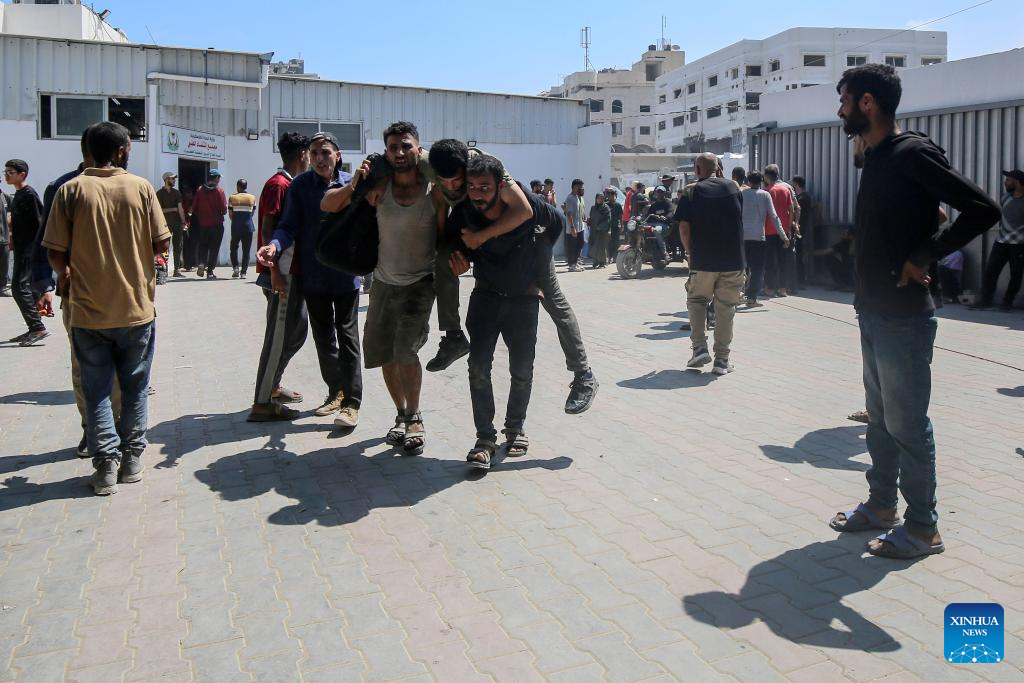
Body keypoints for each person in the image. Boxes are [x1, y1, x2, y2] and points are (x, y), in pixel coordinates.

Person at [829, 63, 1000, 559]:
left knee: (906, 424)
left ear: (867, 103)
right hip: (872, 308)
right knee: (880, 420)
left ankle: (923, 528)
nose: (839, 110)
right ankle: (882, 505)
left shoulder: (912, 152)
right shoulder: (877, 155)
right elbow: (932, 211)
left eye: (845, 100)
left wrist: (925, 254)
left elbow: (981, 209)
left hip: (903, 316)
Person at [416, 140, 598, 415]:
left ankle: (583, 374)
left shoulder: (502, 185)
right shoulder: (444, 180)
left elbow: (538, 216)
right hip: (502, 253)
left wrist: (488, 240)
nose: (453, 187)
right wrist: (454, 257)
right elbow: (424, 180)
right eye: (446, 182)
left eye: (458, 181)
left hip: (537, 237)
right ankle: (453, 337)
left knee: (553, 299)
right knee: (444, 259)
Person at [42, 121, 171, 495]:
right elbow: (162, 244)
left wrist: (65, 275)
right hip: (135, 310)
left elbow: (54, 251)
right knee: (135, 389)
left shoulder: (71, 190)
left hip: (87, 313)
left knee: (96, 391)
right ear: (121, 151)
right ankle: (132, 460)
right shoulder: (141, 188)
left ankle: (105, 468)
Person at [447, 154, 565, 469]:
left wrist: (539, 266)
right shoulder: (463, 214)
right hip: (485, 299)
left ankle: (515, 429)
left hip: (524, 302)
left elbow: (557, 224)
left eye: (484, 187)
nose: (477, 194)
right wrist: (459, 263)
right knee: (477, 367)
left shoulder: (527, 209)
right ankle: (485, 439)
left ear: (501, 186)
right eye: (472, 187)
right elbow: (455, 249)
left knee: (522, 371)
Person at [258, 132, 363, 424]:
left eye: (325, 152)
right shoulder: (300, 186)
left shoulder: (353, 184)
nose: (319, 158)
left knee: (348, 337)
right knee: (324, 338)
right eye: (314, 153)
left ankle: (352, 403)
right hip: (314, 276)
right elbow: (287, 227)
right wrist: (274, 246)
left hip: (345, 277)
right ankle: (335, 393)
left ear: (337, 156)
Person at [363, 122, 441, 452]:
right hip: (383, 283)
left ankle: (415, 417)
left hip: (420, 284)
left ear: (418, 149)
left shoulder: (434, 191)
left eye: (406, 145)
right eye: (393, 147)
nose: (399, 152)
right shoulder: (379, 188)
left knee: (405, 351)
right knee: (385, 354)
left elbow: (445, 234)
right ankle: (401, 414)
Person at [247, 132, 310, 422]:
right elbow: (268, 229)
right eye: (310, 154)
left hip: (292, 272)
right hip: (282, 273)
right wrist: (274, 273)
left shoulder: (290, 183)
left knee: (296, 332)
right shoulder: (279, 184)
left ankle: (272, 384)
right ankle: (262, 402)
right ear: (303, 155)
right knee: (278, 337)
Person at [676, 153, 745, 376]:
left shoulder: (690, 191)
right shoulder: (734, 187)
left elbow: (684, 228)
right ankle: (722, 361)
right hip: (733, 260)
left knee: (697, 300)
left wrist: (689, 253)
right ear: (719, 168)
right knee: (726, 308)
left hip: (703, 260)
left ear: (697, 169)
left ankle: (699, 349)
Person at [3, 159, 48, 346]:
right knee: (24, 288)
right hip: (21, 248)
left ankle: (37, 328)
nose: (6, 175)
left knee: (19, 288)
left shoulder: (29, 194)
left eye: (11, 172)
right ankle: (34, 327)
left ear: (22, 174)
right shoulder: (18, 195)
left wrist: (41, 249)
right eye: (5, 171)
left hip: (30, 249)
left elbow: (41, 221)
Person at [973, 169, 1024, 311]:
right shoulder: (1005, 198)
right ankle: (985, 301)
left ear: (1017, 182)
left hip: (1019, 245)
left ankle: (1007, 303)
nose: (1005, 182)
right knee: (991, 271)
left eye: (1008, 180)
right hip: (1001, 242)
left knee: (1016, 275)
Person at [741, 171, 786, 307]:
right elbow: (774, 217)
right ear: (761, 181)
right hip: (758, 237)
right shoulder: (765, 195)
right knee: (757, 269)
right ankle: (751, 298)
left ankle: (738, 294)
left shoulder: (741, 194)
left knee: (741, 267)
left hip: (742, 237)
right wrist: (783, 236)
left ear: (748, 181)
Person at [762, 165, 796, 298]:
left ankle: (770, 288)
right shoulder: (786, 190)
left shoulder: (766, 192)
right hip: (784, 231)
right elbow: (791, 210)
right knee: (783, 260)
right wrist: (789, 227)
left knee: (770, 261)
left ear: (766, 177)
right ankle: (782, 289)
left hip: (769, 231)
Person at [190, 169, 227, 279]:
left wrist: (201, 216)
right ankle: (210, 271)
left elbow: (194, 207)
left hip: (203, 224)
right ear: (216, 178)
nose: (219, 180)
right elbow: (223, 208)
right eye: (219, 178)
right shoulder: (219, 191)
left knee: (203, 245)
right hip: (217, 224)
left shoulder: (200, 190)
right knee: (214, 248)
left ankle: (201, 263)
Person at [156, 172, 188, 277]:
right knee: (164, 248)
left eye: (174, 179)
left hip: (177, 223)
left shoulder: (177, 193)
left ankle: (176, 270)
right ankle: (163, 270)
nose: (174, 180)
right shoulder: (159, 194)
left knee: (178, 246)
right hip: (164, 224)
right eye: (172, 179)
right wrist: (173, 209)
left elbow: (180, 208)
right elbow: (159, 210)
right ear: (166, 179)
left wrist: (183, 221)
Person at [228, 179, 257, 278]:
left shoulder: (232, 198)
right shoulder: (252, 198)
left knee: (233, 248)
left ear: (238, 187)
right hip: (248, 227)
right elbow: (252, 213)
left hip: (236, 227)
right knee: (246, 250)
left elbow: (230, 214)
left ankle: (236, 267)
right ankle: (243, 273)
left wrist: (236, 221)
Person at [792, 176, 815, 285]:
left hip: (800, 230)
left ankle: (800, 280)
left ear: (796, 184)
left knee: (799, 256)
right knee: (799, 255)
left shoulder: (802, 198)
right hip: (802, 229)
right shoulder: (805, 197)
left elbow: (794, 209)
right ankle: (800, 280)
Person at [564, 179, 586, 272]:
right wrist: (572, 228)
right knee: (572, 247)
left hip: (580, 227)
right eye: (580, 187)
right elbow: (569, 214)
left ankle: (575, 262)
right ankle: (571, 265)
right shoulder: (570, 198)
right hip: (572, 228)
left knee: (580, 243)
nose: (581, 189)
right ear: (575, 187)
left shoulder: (578, 197)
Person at [588, 192, 611, 268]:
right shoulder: (593, 208)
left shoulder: (606, 208)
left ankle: (602, 262)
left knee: (601, 247)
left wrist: (600, 227)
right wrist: (588, 221)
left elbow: (607, 220)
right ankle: (595, 262)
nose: (600, 200)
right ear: (596, 199)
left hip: (602, 231)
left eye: (602, 198)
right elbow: (591, 217)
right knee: (594, 246)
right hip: (593, 230)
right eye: (599, 198)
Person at [605, 188, 623, 261]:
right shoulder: (606, 205)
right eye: (609, 196)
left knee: (616, 242)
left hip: (616, 226)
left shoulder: (618, 205)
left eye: (612, 195)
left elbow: (620, 216)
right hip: (608, 227)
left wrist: (622, 226)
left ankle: (615, 257)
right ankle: (609, 257)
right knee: (609, 242)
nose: (611, 197)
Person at [0, 190, 10, 297]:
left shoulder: (4, 196)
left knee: (4, 265)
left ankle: (2, 288)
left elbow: (15, 209)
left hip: (4, 238)